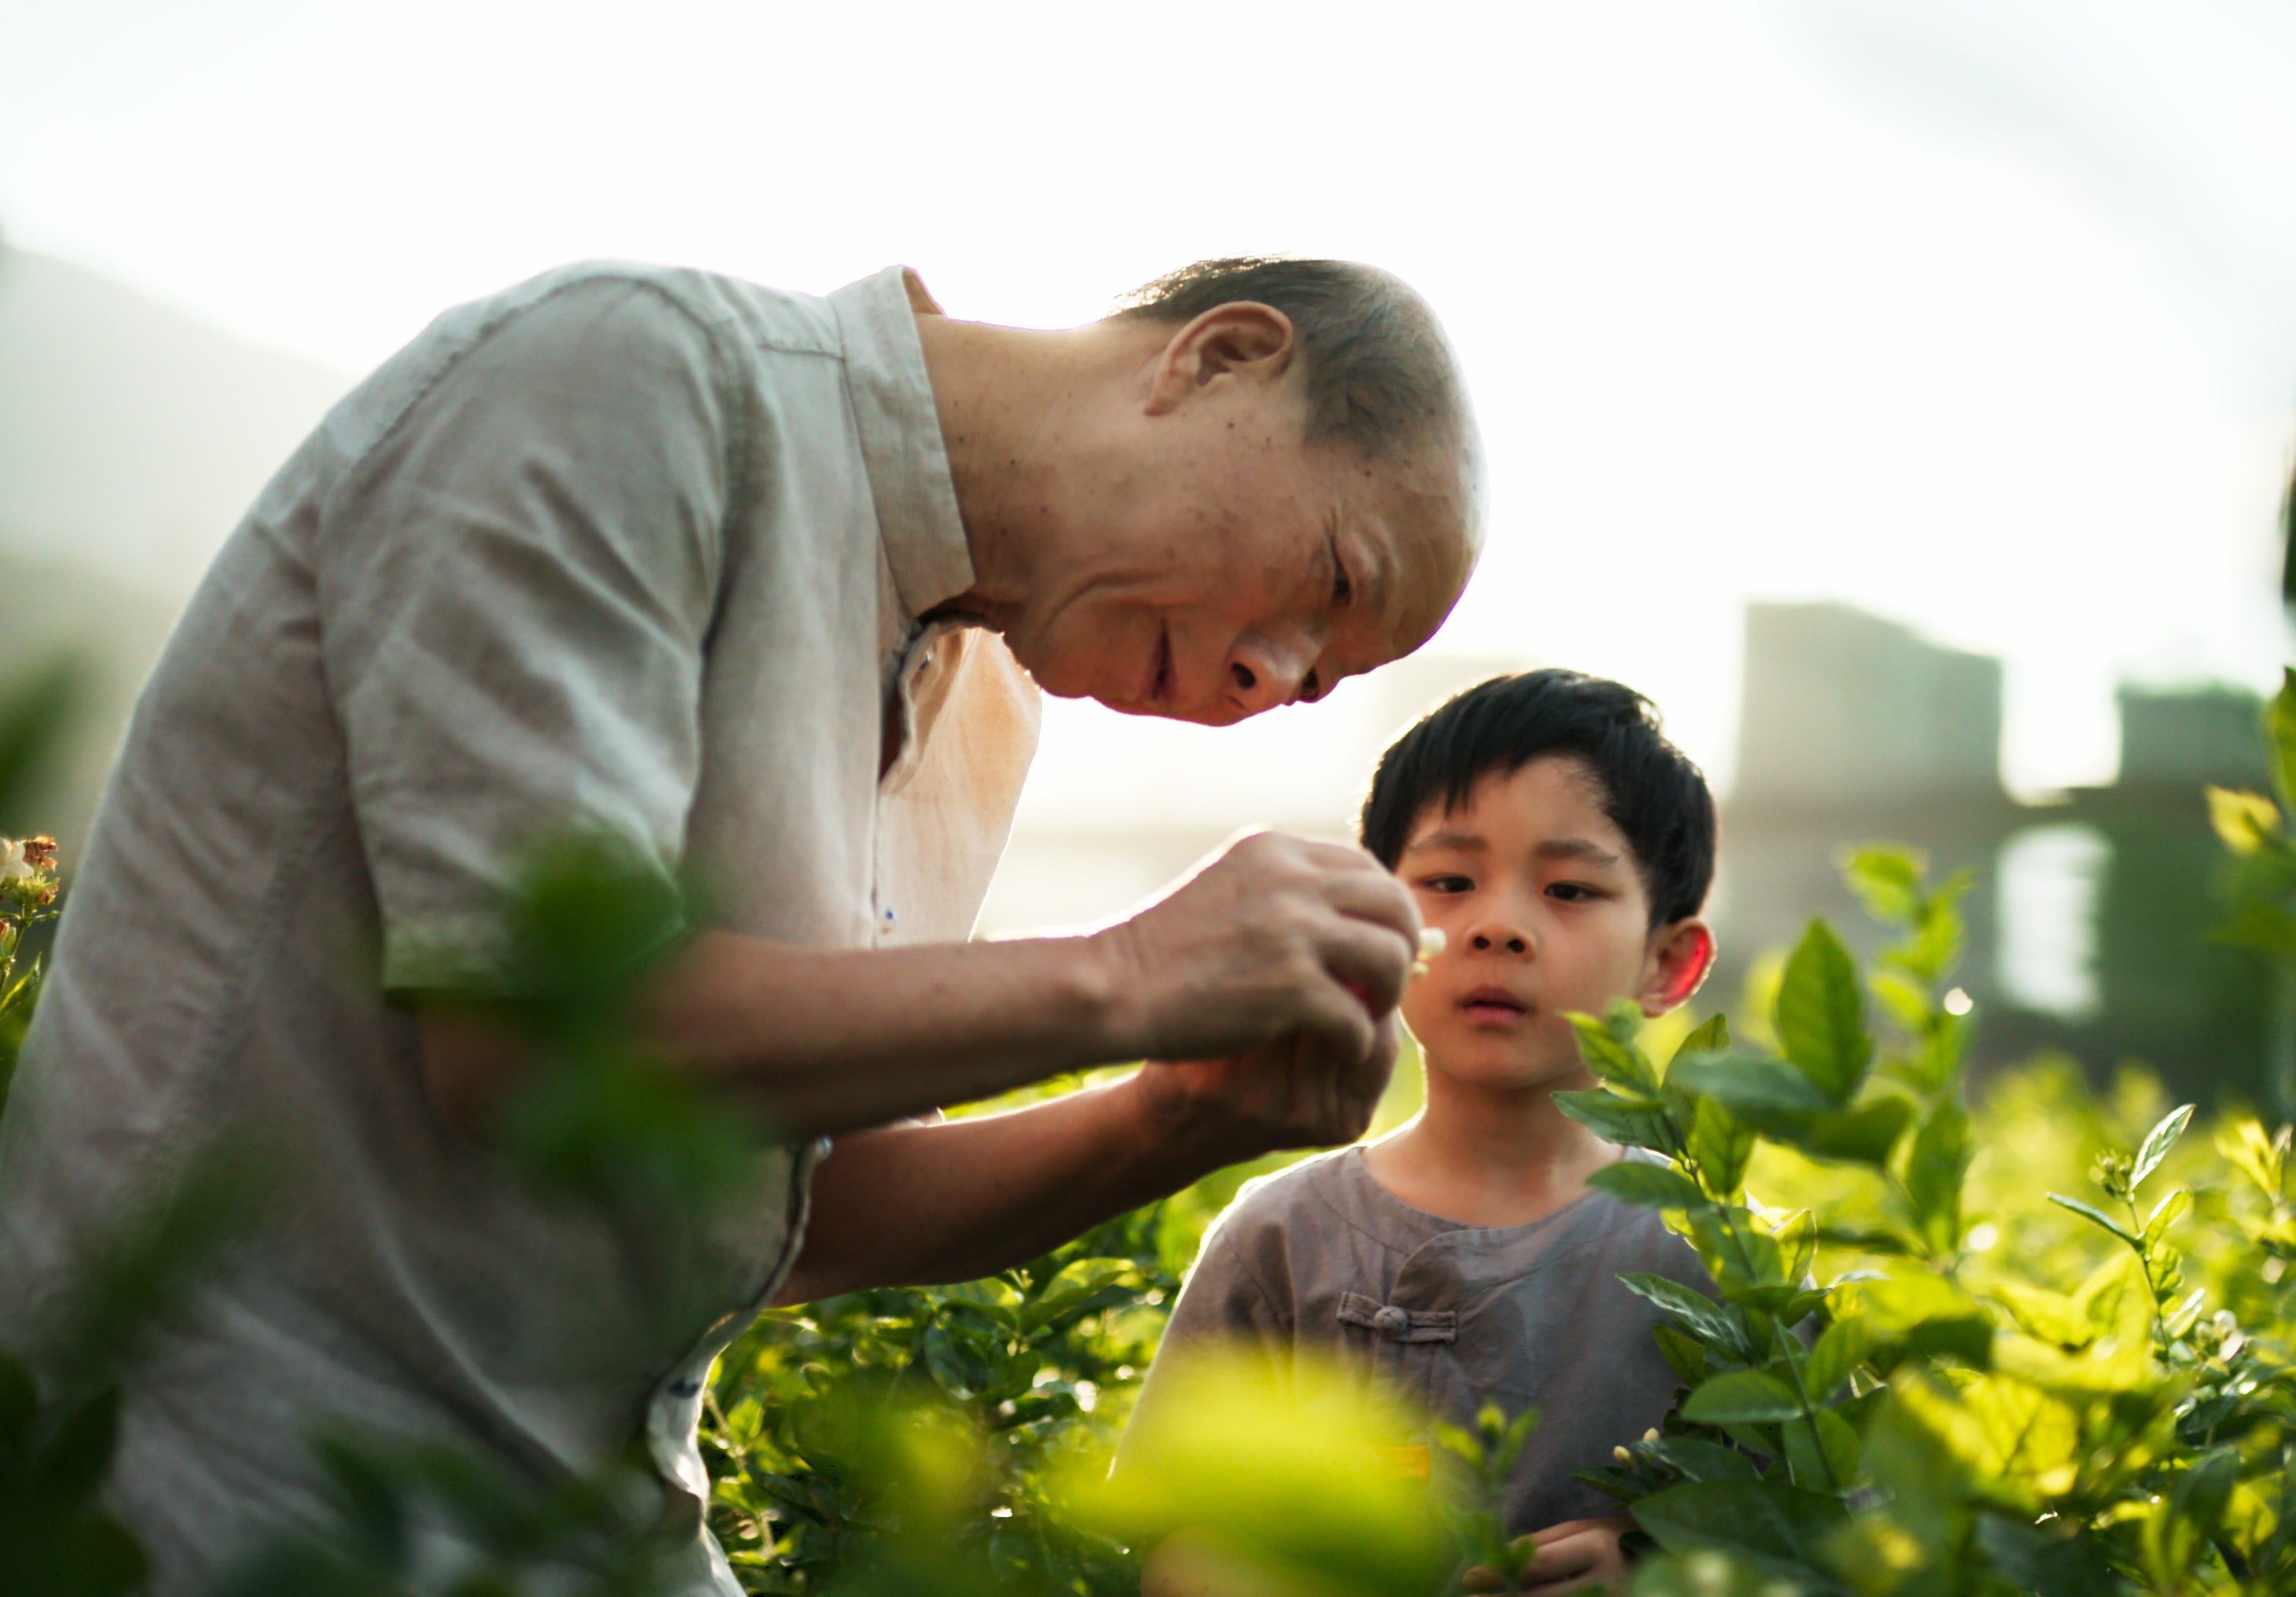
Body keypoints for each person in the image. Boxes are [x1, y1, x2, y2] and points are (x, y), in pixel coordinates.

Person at [0, 255, 1479, 1595]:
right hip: (214, 1499)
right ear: (1217, 358)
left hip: (581, 1526)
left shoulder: (984, 707)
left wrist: (1176, 1121)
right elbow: (535, 1051)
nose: (1264, 676)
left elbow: (767, 1213)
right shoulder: (632, 379)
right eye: (1330, 584)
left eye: (1316, 682)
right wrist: (1133, 973)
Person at [1128, 670, 1721, 1597]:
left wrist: (1655, 1564)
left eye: (1568, 890)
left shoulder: (1715, 1262)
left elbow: (1826, 1539)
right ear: (1376, 916)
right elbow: (1168, 1539)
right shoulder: (1281, 1239)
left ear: (1667, 962)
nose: (1497, 926)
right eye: (1449, 882)